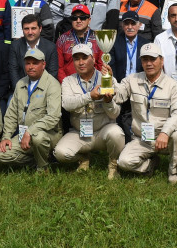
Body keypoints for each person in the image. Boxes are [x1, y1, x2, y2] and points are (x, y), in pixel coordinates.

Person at [115, 44, 177, 184]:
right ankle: (150, 164)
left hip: (165, 139)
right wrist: (109, 79)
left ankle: (173, 171)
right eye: (145, 59)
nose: (149, 63)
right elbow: (118, 96)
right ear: (141, 62)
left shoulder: (172, 85)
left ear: (161, 61)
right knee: (124, 162)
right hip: (142, 139)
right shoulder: (132, 80)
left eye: (153, 59)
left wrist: (165, 133)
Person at [52, 44, 125, 178]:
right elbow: (67, 105)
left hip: (103, 131)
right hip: (80, 132)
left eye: (84, 58)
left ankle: (113, 166)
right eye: (76, 59)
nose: (80, 62)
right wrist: (89, 96)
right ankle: (83, 158)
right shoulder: (68, 81)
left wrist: (108, 102)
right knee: (60, 153)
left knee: (116, 133)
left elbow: (115, 114)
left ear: (93, 58)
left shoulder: (106, 77)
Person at [0, 47, 63, 171]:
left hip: (49, 134)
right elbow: (11, 114)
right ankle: (37, 160)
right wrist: (6, 137)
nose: (31, 66)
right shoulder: (20, 83)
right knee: (1, 154)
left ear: (43, 65)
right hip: (24, 134)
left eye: (35, 63)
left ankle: (43, 168)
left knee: (38, 138)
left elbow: (53, 117)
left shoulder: (53, 84)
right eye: (28, 63)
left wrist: (31, 131)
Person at [8, 14, 58, 91]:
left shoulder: (50, 47)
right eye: (26, 29)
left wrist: (40, 92)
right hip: (20, 90)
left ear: (40, 28)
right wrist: (21, 92)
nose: (30, 32)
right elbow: (13, 72)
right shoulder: (15, 46)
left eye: (33, 28)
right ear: (22, 30)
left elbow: (52, 73)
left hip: (43, 91)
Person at [54, 4, 104, 80]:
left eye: (82, 17)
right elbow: (59, 68)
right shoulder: (62, 39)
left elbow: (101, 66)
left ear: (89, 20)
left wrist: (97, 84)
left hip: (93, 84)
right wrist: (67, 84)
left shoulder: (98, 38)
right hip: (70, 85)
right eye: (74, 18)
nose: (78, 21)